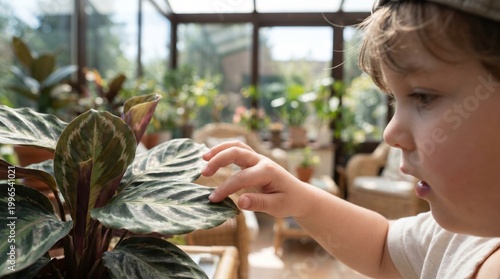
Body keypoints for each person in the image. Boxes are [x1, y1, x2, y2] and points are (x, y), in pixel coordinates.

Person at [202, 0, 500, 278]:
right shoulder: (461, 240)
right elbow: (382, 246)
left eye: (424, 97)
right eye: (396, 102)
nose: (390, 133)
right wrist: (298, 197)